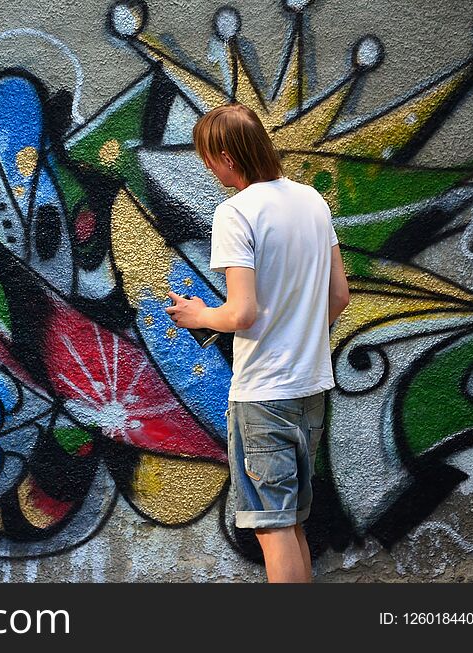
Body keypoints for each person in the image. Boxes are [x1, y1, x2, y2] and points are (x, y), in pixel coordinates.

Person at [165, 103, 350, 583]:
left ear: (228, 155)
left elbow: (241, 311)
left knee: (272, 527)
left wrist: (198, 315)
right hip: (310, 385)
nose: (208, 167)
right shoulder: (312, 201)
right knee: (290, 523)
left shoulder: (234, 213)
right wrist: (300, 336)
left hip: (263, 392)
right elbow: (339, 295)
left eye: (209, 156)